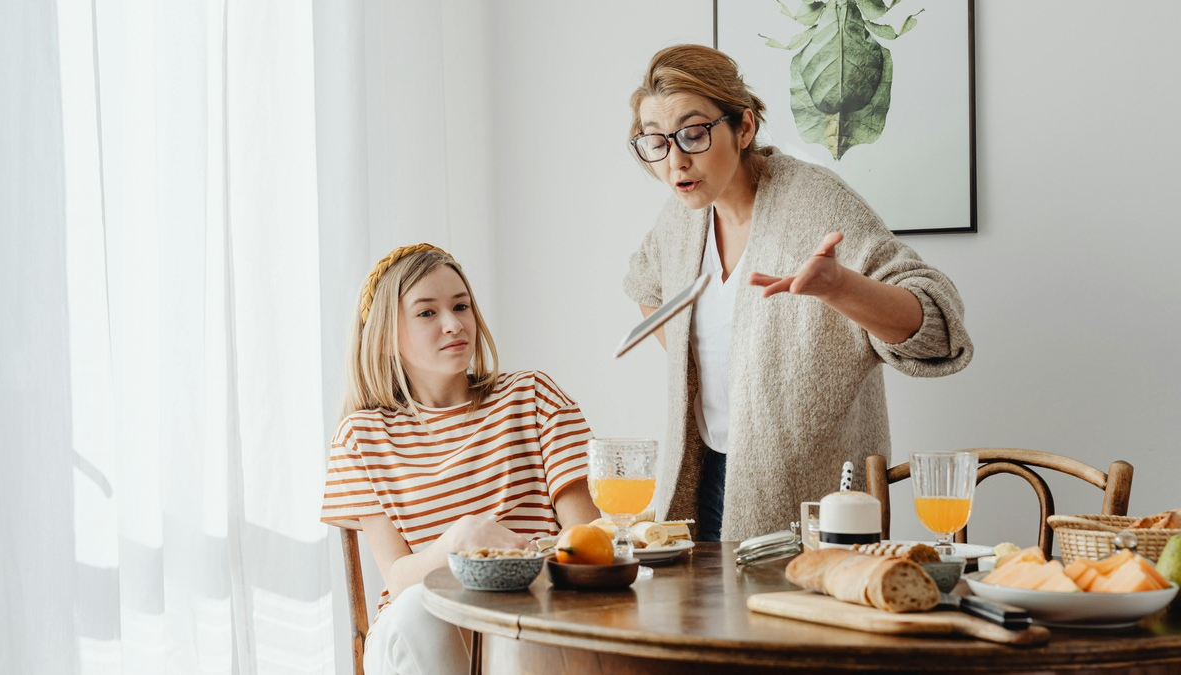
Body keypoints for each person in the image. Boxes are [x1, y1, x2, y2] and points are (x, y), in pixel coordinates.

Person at [623, 45, 973, 543]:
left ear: (744, 127)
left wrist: (841, 287)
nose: (675, 161)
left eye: (693, 134)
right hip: (703, 476)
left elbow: (939, 330)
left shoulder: (814, 203)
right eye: (655, 140)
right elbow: (645, 286)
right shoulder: (681, 218)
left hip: (812, 494)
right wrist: (699, 362)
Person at [321, 243, 600, 675]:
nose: (453, 324)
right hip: (420, 627)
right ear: (385, 338)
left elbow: (587, 540)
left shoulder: (533, 397)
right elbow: (398, 578)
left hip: (529, 617)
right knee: (419, 608)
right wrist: (458, 540)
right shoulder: (361, 436)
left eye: (461, 306)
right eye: (427, 312)